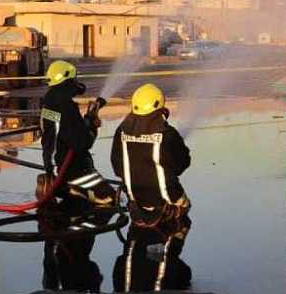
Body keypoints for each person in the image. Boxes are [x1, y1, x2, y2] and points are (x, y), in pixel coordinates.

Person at [111, 83, 191, 234]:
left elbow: (117, 166)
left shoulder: (121, 131)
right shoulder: (168, 134)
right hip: (168, 196)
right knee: (185, 207)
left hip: (134, 198)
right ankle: (174, 240)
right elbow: (183, 163)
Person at [40, 60, 114, 206]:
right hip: (74, 171)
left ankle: (56, 185)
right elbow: (82, 143)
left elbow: (63, 130)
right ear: (68, 80)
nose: (76, 82)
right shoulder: (66, 107)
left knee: (73, 205)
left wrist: (85, 121)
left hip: (53, 169)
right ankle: (74, 189)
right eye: (74, 79)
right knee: (110, 199)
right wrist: (92, 126)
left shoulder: (48, 102)